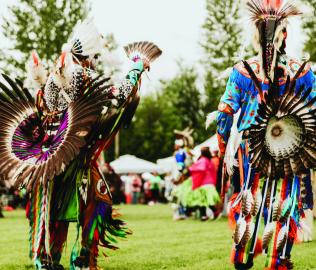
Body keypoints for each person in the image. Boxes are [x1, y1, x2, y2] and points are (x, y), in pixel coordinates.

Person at [0, 19, 161, 270]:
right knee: (98, 202)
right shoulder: (83, 75)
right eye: (94, 57)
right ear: (86, 57)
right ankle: (82, 258)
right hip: (76, 154)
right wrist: (136, 67)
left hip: (49, 156)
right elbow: (120, 94)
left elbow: (44, 110)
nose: (94, 62)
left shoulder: (54, 78)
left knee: (53, 206)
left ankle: (46, 258)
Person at [215, 1, 315, 269]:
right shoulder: (302, 70)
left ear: (256, 35)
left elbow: (225, 112)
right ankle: (279, 259)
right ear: (285, 34)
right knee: (285, 198)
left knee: (248, 193)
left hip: (250, 142)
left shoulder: (242, 70)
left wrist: (223, 147)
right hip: (289, 143)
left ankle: (241, 253)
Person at [188, 147, 221, 221]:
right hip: (210, 183)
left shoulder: (203, 160)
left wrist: (190, 169)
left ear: (202, 153)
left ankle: (204, 215)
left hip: (204, 183)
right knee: (206, 200)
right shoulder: (210, 161)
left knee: (202, 200)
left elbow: (201, 168)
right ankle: (213, 213)